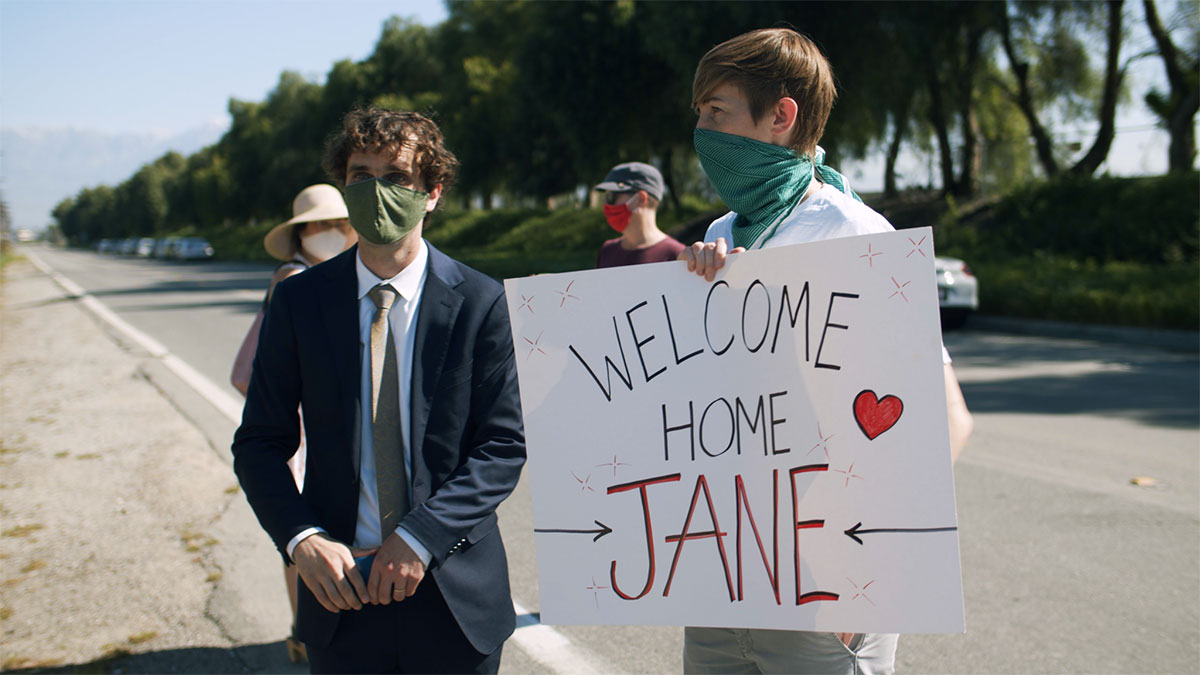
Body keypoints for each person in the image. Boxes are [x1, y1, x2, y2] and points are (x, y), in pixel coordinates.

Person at [677, 28, 974, 675]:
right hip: (725, 575)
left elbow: (946, 419)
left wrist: (865, 562)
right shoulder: (721, 234)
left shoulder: (857, 234)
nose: (701, 131)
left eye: (715, 113)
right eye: (699, 113)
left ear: (781, 117)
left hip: (821, 590)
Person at [232, 107, 526, 674]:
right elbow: (259, 443)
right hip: (339, 597)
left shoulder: (481, 302)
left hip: (454, 596)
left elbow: (501, 448)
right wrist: (301, 539)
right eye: (361, 176)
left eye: (396, 177)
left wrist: (419, 538)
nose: (376, 192)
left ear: (432, 192)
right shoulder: (299, 302)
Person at [229, 183, 356, 663]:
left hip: (320, 415)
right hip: (298, 419)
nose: (329, 232)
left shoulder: (336, 273)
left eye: (336, 223)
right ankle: (303, 628)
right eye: (317, 225)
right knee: (302, 528)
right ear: (301, 233)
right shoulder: (293, 276)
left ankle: (310, 623)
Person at [592, 161, 685, 268]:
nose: (606, 204)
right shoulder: (607, 252)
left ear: (641, 199)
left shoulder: (677, 255)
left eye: (611, 197)